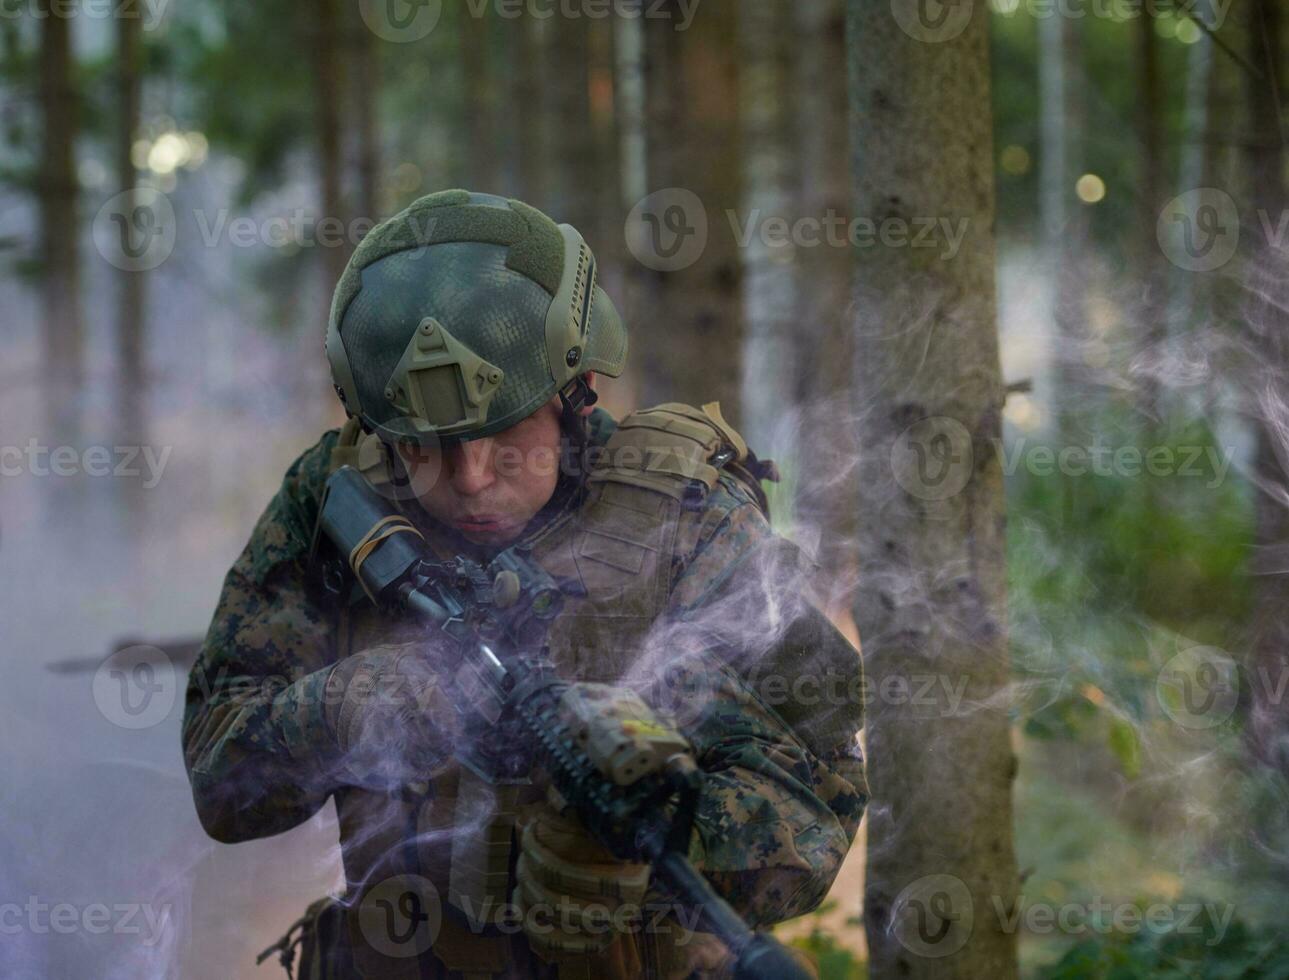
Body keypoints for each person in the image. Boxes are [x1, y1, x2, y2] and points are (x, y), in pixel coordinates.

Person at [181, 190, 867, 979]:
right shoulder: (333, 499)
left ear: (572, 397)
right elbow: (221, 783)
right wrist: (363, 704)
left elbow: (816, 806)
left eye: (506, 435)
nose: (471, 480)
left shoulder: (683, 517)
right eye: (426, 446)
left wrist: (655, 841)